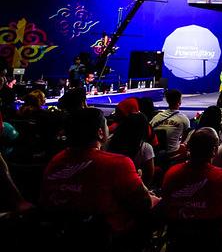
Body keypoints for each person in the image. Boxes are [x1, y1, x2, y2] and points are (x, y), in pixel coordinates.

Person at [39, 107, 155, 236]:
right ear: (100, 133)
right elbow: (144, 204)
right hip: (104, 235)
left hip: (61, 230)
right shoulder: (118, 163)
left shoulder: (56, 160)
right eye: (106, 124)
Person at [161, 128, 222, 231]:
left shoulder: (172, 173)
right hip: (217, 236)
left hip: (179, 235)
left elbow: (166, 199)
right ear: (214, 150)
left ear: (189, 148)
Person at [105, 112, 155, 186]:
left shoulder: (110, 141)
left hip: (111, 182)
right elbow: (149, 175)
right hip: (133, 186)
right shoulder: (145, 148)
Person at [150, 89, 190, 155]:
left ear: (167, 101)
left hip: (156, 152)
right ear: (179, 102)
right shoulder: (183, 119)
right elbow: (186, 137)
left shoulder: (156, 117)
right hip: (173, 153)